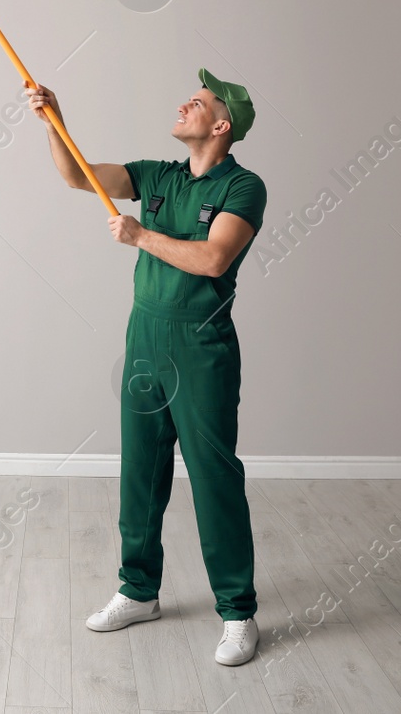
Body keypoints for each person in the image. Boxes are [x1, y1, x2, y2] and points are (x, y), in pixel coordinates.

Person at [26, 69, 266, 667]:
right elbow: (77, 175)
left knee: (213, 479)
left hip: (202, 345)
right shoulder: (157, 175)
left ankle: (238, 613)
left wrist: (139, 236)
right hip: (144, 339)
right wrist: (55, 121)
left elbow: (213, 259)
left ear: (221, 124)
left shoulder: (245, 187)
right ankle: (138, 592)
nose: (185, 102)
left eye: (200, 101)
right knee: (141, 473)